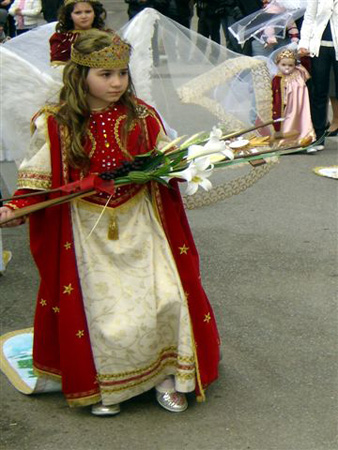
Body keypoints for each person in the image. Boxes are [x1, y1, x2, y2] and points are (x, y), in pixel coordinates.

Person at [0, 29, 220, 415]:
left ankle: (169, 374)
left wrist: (194, 160)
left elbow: (165, 155)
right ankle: (108, 386)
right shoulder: (57, 122)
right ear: (80, 74)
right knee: (106, 317)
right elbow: (37, 174)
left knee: (165, 298)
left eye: (121, 73)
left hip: (142, 224)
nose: (116, 82)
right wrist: (17, 207)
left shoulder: (142, 114)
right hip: (88, 235)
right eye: (105, 75)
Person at [298, 0, 338, 150]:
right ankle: (317, 137)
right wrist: (303, 43)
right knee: (318, 92)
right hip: (318, 47)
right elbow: (309, 17)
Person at [272, 48, 316, 146]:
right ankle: (286, 142)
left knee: (303, 122)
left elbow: (306, 66)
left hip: (300, 106)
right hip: (286, 107)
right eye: (283, 65)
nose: (287, 68)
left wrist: (302, 54)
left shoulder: (300, 73)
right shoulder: (277, 79)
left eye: (290, 65)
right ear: (277, 64)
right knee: (287, 122)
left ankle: (304, 139)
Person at [49, 0, 106, 66]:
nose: (84, 16)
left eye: (88, 12)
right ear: (70, 16)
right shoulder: (61, 39)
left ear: (95, 13)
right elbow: (57, 67)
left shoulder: (107, 35)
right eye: (78, 13)